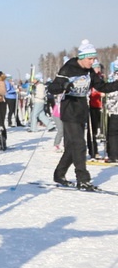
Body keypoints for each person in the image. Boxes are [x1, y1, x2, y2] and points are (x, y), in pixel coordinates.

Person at [47, 40, 118, 190]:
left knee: (73, 146)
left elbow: (102, 86)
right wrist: (63, 86)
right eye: (89, 59)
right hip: (69, 110)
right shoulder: (68, 68)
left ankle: (59, 174)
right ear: (82, 57)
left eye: (94, 59)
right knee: (80, 145)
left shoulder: (90, 71)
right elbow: (52, 88)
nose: (92, 62)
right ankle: (83, 178)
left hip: (81, 110)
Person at [104, 60, 118, 163]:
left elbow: (112, 94)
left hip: (115, 110)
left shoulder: (114, 78)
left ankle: (113, 155)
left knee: (113, 133)